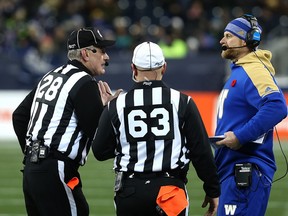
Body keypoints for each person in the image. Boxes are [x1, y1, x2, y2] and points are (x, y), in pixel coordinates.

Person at [92, 41, 220, 216]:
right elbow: (201, 151)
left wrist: (128, 144)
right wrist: (213, 190)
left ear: (133, 68)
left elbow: (99, 151)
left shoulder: (117, 105)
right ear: (164, 68)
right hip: (169, 190)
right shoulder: (182, 102)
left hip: (130, 191)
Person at [12, 27, 122, 216]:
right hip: (56, 170)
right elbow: (98, 138)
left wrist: (34, 155)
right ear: (86, 53)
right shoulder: (84, 82)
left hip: (31, 170)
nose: (107, 57)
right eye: (102, 51)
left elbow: (19, 116)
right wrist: (108, 112)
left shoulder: (50, 75)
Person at [213, 14, 287, 216]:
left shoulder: (254, 70)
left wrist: (240, 136)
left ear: (245, 41)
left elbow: (277, 106)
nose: (222, 41)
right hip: (232, 171)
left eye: (228, 36)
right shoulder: (241, 70)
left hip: (246, 171)